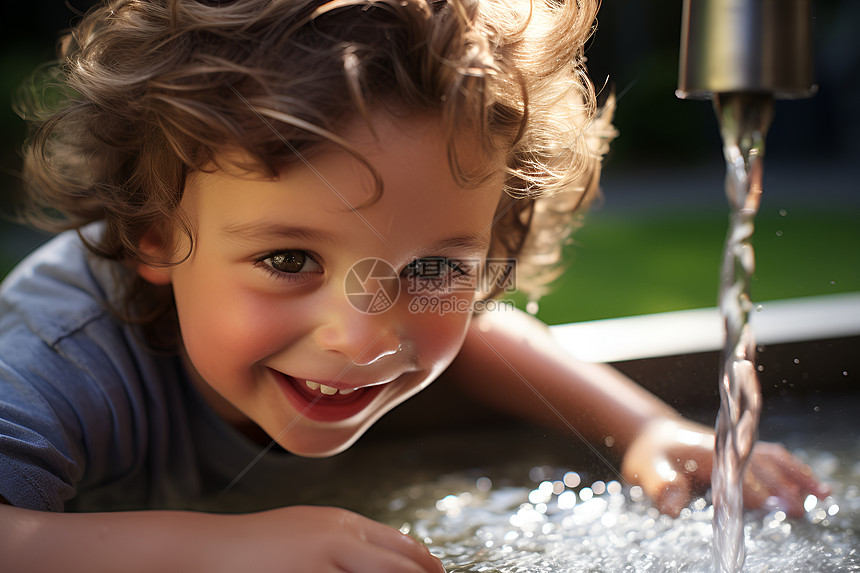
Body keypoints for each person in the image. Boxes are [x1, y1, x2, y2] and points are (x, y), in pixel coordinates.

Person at [0, 1, 829, 571]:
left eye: (434, 269)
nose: (362, 337)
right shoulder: (62, 359)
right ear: (153, 233)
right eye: (289, 261)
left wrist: (643, 426)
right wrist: (218, 548)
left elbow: (480, 338)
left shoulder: (410, 318)